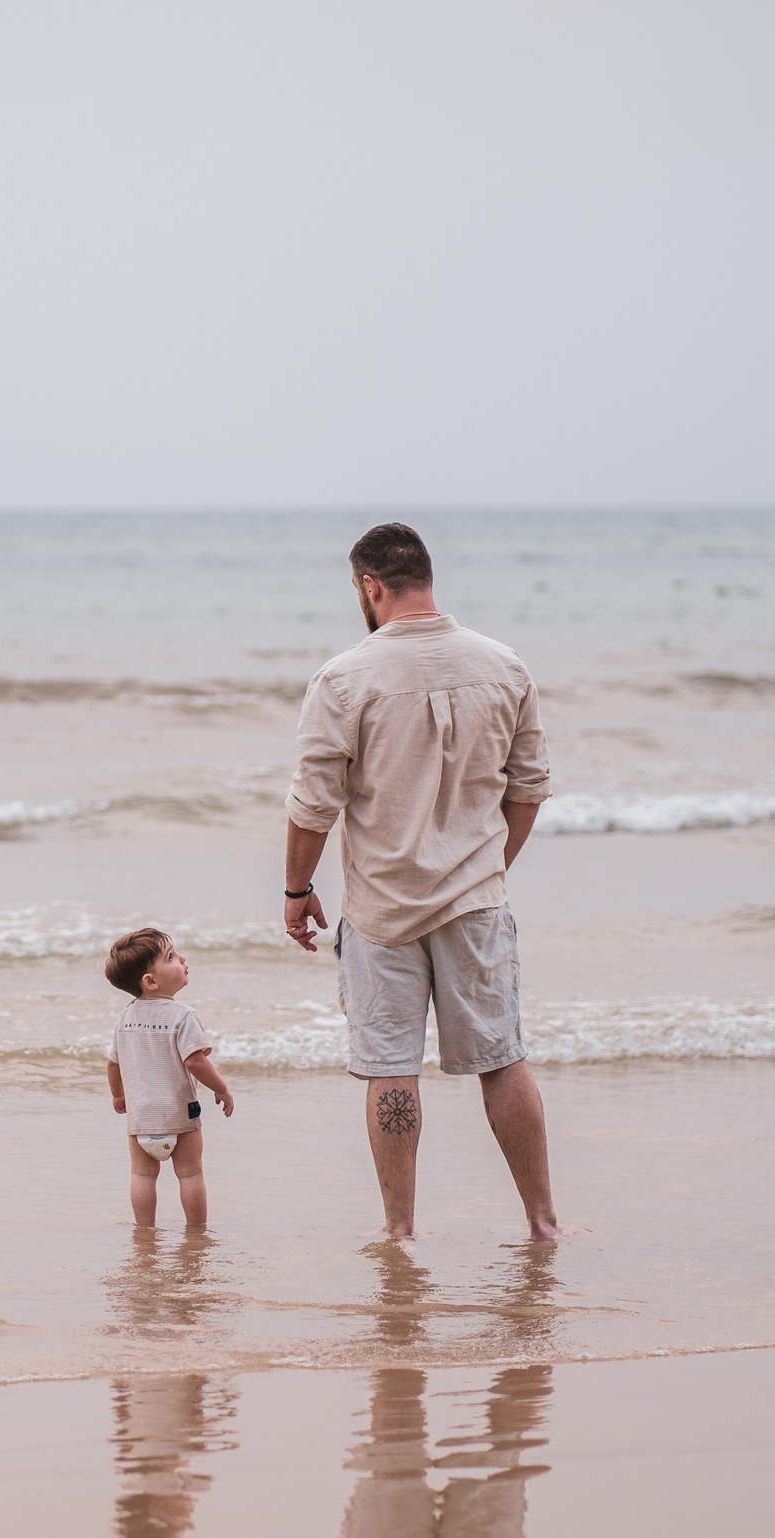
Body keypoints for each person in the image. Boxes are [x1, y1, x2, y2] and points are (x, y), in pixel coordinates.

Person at [281, 522, 560, 1241]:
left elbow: (314, 803)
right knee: (502, 1059)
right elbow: (528, 787)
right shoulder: (505, 665)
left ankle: (400, 1230)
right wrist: (489, 867)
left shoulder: (344, 678)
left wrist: (296, 890)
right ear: (426, 578)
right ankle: (543, 1220)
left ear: (370, 587)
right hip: (476, 898)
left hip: (381, 908)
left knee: (390, 1068)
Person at [102, 927, 234, 1228]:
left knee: (142, 1175)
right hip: (180, 1116)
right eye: (171, 956)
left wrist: (118, 1095)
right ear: (150, 981)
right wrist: (222, 1089)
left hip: (141, 1117)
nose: (182, 958)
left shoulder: (124, 1018)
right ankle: (196, 1231)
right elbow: (195, 1062)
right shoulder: (182, 1015)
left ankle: (144, 1232)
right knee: (190, 1174)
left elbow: (113, 1064)